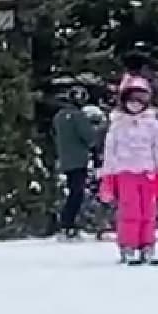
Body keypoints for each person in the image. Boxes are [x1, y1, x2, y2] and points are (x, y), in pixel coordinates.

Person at [98, 75, 158, 264]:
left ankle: (147, 245)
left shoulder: (152, 123)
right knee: (130, 211)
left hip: (148, 172)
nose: (135, 105)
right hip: (125, 172)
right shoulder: (118, 125)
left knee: (148, 210)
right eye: (131, 101)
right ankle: (128, 245)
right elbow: (110, 150)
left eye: (140, 101)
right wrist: (108, 175)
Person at [53, 85, 97, 240]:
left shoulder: (59, 116)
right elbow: (90, 137)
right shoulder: (78, 116)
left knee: (73, 191)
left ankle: (66, 224)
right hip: (79, 159)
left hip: (65, 159)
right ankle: (68, 224)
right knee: (77, 193)